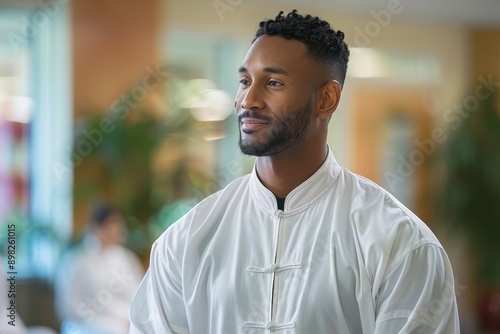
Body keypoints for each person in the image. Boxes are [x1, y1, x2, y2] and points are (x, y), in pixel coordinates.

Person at [129, 9, 459, 333]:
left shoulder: (398, 242)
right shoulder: (186, 240)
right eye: (245, 81)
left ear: (326, 99)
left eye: (273, 82)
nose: (248, 100)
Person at [55, 202, 144, 334]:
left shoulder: (125, 257)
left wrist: (133, 316)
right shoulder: (76, 261)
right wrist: (120, 316)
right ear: (97, 227)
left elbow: (139, 293)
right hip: (86, 324)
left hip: (125, 320)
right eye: (112, 224)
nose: (117, 230)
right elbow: (70, 306)